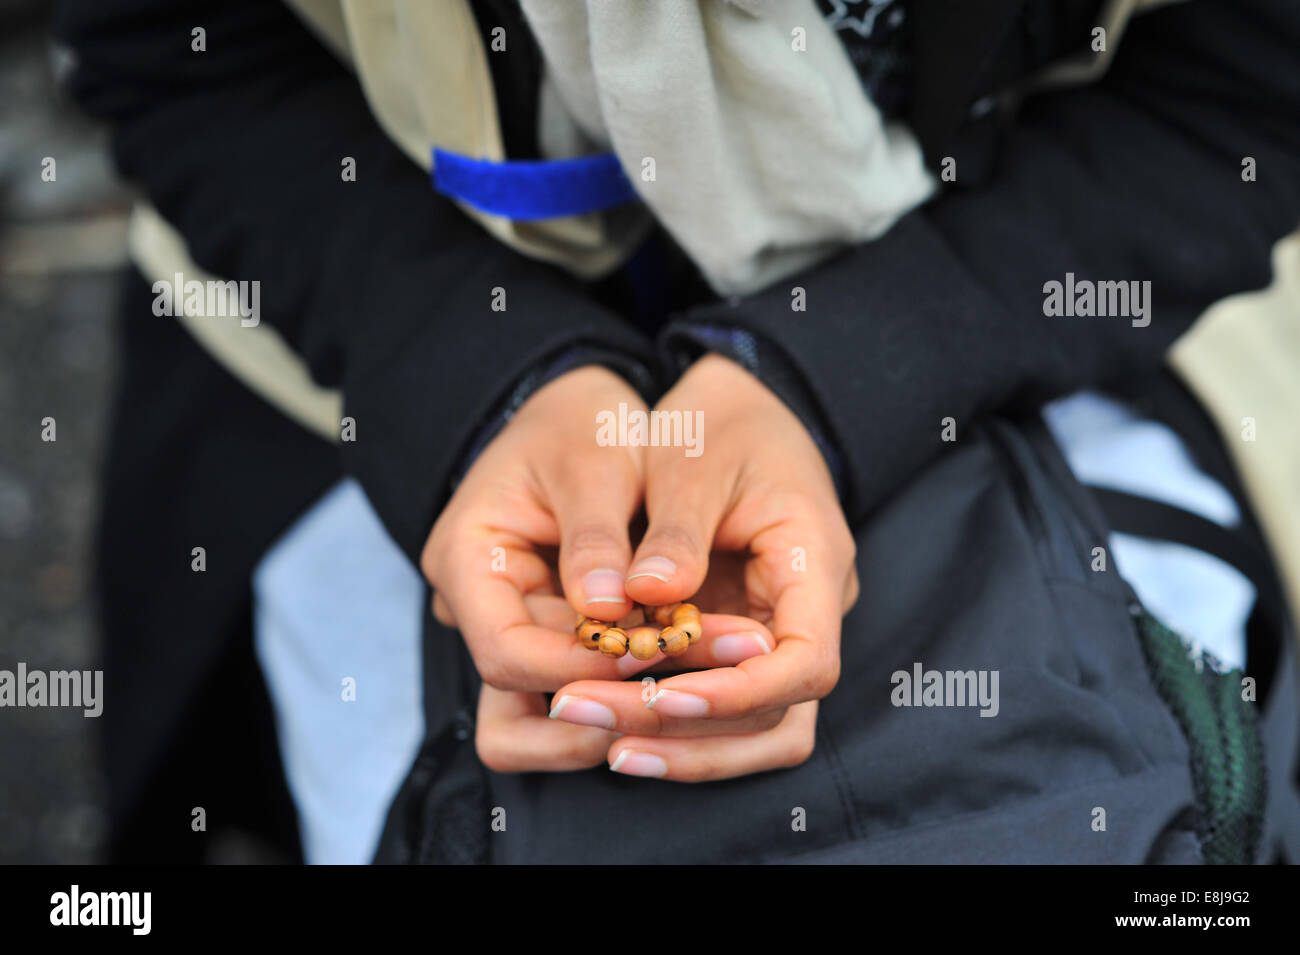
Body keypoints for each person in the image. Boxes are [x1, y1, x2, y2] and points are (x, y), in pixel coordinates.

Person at [55, 0, 1300, 863]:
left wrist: (844, 369)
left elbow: (1243, 96)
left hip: (1049, 298)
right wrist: (464, 376)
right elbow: (175, 54)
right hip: (343, 326)